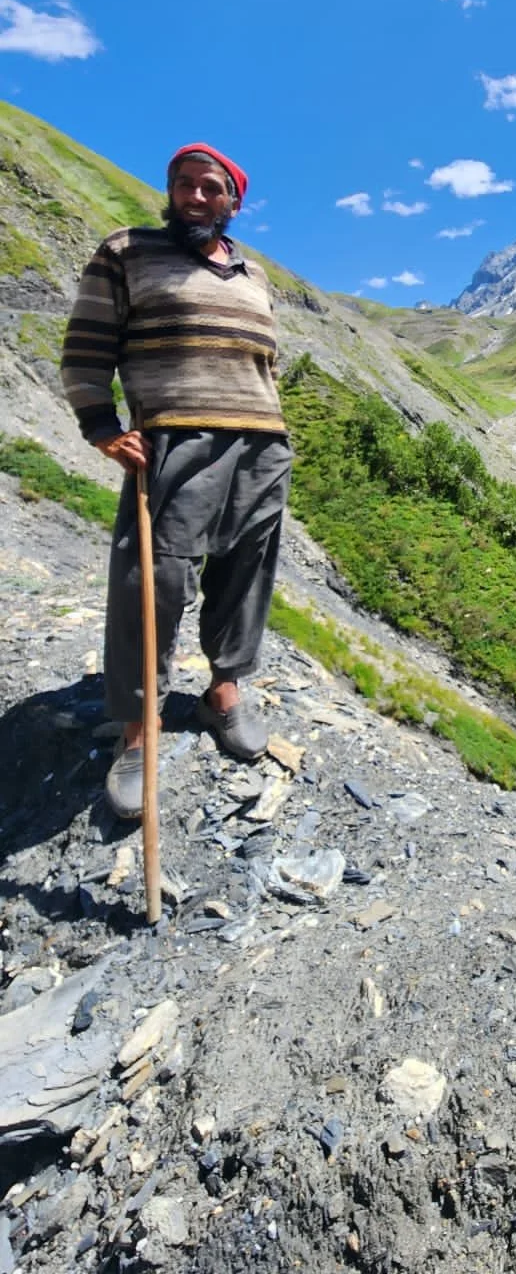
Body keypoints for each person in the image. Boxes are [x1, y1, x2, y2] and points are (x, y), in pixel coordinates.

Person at [60, 144, 292, 818]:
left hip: (260, 443)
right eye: (183, 185)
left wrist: (271, 426)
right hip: (174, 437)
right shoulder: (128, 252)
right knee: (154, 580)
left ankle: (224, 689)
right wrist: (100, 423)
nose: (194, 197)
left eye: (210, 188)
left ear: (233, 201)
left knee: (246, 572)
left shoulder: (254, 274)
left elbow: (264, 362)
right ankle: (139, 728)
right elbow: (87, 342)